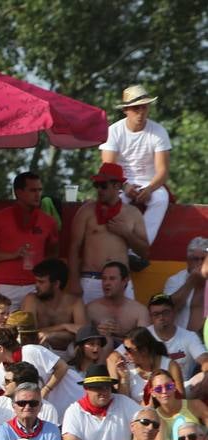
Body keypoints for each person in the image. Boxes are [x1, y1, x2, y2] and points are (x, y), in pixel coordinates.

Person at [101, 85, 172, 249]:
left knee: (161, 199)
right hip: (119, 183)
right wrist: (124, 185)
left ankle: (139, 247)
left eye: (144, 107)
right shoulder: (113, 131)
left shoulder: (159, 131)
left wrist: (149, 188)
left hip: (150, 183)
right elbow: (108, 168)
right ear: (126, 110)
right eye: (135, 108)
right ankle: (115, 245)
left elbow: (162, 171)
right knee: (114, 200)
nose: (140, 112)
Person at [0, 172, 61, 308]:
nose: (37, 195)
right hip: (6, 285)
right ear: (18, 193)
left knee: (35, 327)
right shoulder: (0, 217)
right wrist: (13, 255)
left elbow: (54, 254)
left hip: (36, 285)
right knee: (2, 328)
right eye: (32, 190)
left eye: (40, 190)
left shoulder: (48, 221)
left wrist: (44, 275)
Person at [68, 164, 149, 303]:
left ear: (117, 186)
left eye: (103, 186)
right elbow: (74, 247)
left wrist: (126, 234)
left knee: (126, 324)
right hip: (91, 279)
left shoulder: (132, 213)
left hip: (120, 282)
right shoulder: (86, 211)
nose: (99, 190)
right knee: (86, 325)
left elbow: (145, 252)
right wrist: (73, 281)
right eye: (96, 185)